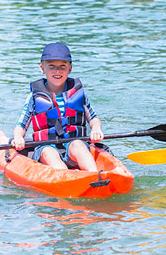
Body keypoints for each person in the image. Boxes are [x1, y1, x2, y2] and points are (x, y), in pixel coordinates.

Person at [12, 42, 104, 171]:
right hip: (45, 146)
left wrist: (96, 129)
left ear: (69, 69)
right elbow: (21, 126)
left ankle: (95, 176)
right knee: (49, 152)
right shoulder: (34, 97)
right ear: (42, 69)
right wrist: (18, 137)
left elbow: (93, 118)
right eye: (51, 66)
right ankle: (66, 177)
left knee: (78, 145)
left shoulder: (78, 93)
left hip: (73, 142)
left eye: (62, 66)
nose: (57, 71)